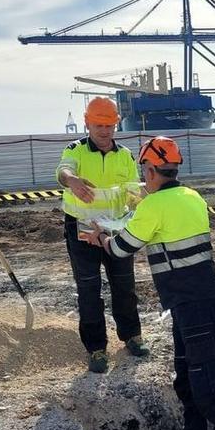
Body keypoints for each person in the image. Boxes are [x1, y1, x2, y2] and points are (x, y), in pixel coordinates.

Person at [83, 136, 215, 430]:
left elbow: (120, 248)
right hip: (199, 298)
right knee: (188, 375)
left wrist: (100, 237)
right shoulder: (192, 197)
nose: (144, 177)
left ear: (153, 170)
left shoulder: (153, 206)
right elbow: (158, 227)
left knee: (205, 378)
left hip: (191, 301)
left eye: (145, 170)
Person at [56, 97, 148, 373]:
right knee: (89, 290)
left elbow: (132, 195)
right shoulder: (76, 151)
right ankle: (96, 349)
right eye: (98, 125)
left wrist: (143, 204)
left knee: (124, 286)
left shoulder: (126, 156)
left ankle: (132, 335)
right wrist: (72, 180)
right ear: (87, 123)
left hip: (115, 231)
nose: (104, 130)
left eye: (109, 125)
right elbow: (64, 170)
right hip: (83, 232)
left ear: (116, 124)